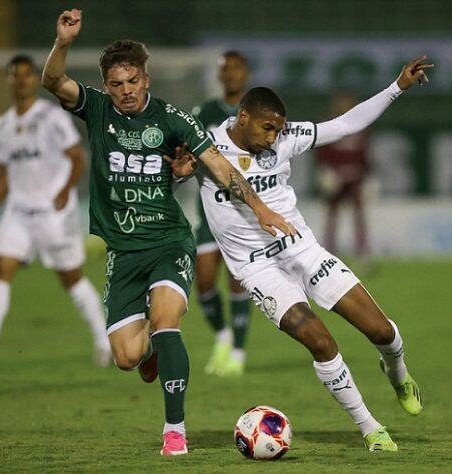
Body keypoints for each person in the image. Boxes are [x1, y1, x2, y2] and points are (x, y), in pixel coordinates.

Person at [41, 9, 293, 456]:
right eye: (116, 84)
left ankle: (174, 432)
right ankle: (152, 357)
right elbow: (53, 82)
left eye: (132, 81)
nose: (125, 91)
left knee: (166, 323)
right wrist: (62, 43)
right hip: (122, 249)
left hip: (169, 241)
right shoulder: (96, 110)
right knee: (125, 358)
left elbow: (218, 166)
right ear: (105, 86)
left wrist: (259, 208)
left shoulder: (173, 119)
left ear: (146, 78)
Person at [167, 56, 431, 451]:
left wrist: (396, 88)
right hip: (257, 270)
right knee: (321, 342)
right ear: (242, 118)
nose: (274, 137)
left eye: (277, 129)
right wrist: (176, 176)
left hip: (302, 249)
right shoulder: (208, 146)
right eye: (266, 127)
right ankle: (371, 428)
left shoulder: (288, 135)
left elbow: (344, 125)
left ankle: (397, 373)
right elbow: (166, 183)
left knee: (382, 332)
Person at [0, 54, 111, 370]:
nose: (22, 80)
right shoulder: (3, 125)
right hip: (18, 212)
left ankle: (104, 342)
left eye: (28, 74)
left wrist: (64, 191)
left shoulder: (51, 117)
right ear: (9, 81)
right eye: (16, 74)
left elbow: (77, 157)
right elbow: (2, 177)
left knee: (71, 279)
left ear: (34, 79)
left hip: (53, 212)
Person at [192, 51, 251, 376]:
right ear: (219, 75)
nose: (231, 74)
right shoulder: (205, 112)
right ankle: (223, 336)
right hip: (210, 212)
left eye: (237, 68)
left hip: (242, 214)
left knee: (238, 283)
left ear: (246, 73)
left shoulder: (253, 113)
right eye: (226, 69)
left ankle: (238, 353)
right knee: (202, 283)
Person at [316, 92, 372, 268]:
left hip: (355, 178)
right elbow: (321, 151)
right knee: (332, 216)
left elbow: (365, 154)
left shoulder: (361, 126)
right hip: (336, 177)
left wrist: (369, 177)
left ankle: (362, 253)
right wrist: (324, 170)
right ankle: (329, 253)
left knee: (359, 216)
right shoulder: (329, 125)